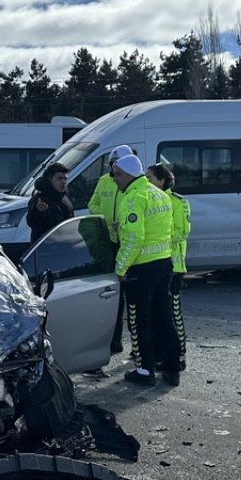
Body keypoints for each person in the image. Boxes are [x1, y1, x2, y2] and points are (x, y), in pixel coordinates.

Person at [113, 154, 181, 386]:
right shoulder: (159, 194)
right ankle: (172, 368)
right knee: (163, 316)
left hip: (141, 268)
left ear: (128, 175)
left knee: (138, 319)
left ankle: (144, 371)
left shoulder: (133, 198)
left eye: (118, 174)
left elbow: (135, 237)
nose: (114, 179)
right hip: (164, 262)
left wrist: (120, 268)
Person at [89, 145, 136, 361]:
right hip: (108, 240)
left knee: (125, 296)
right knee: (110, 294)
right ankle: (110, 340)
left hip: (125, 240)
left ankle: (119, 340)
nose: (115, 168)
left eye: (119, 163)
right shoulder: (104, 181)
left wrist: (123, 225)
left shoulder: (131, 184)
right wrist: (106, 223)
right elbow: (93, 204)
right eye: (113, 164)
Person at [146, 163, 191, 381]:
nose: (147, 182)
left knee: (173, 315)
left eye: (151, 178)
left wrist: (157, 237)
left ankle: (179, 354)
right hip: (158, 265)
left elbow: (182, 232)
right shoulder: (149, 199)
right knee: (157, 314)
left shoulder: (176, 202)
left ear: (162, 181)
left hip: (173, 266)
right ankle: (158, 353)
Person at [26, 162, 73, 245]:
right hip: (45, 249)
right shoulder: (39, 199)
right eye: (59, 178)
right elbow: (32, 221)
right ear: (49, 179)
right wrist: (38, 211)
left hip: (65, 247)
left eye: (65, 179)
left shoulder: (65, 199)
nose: (63, 182)